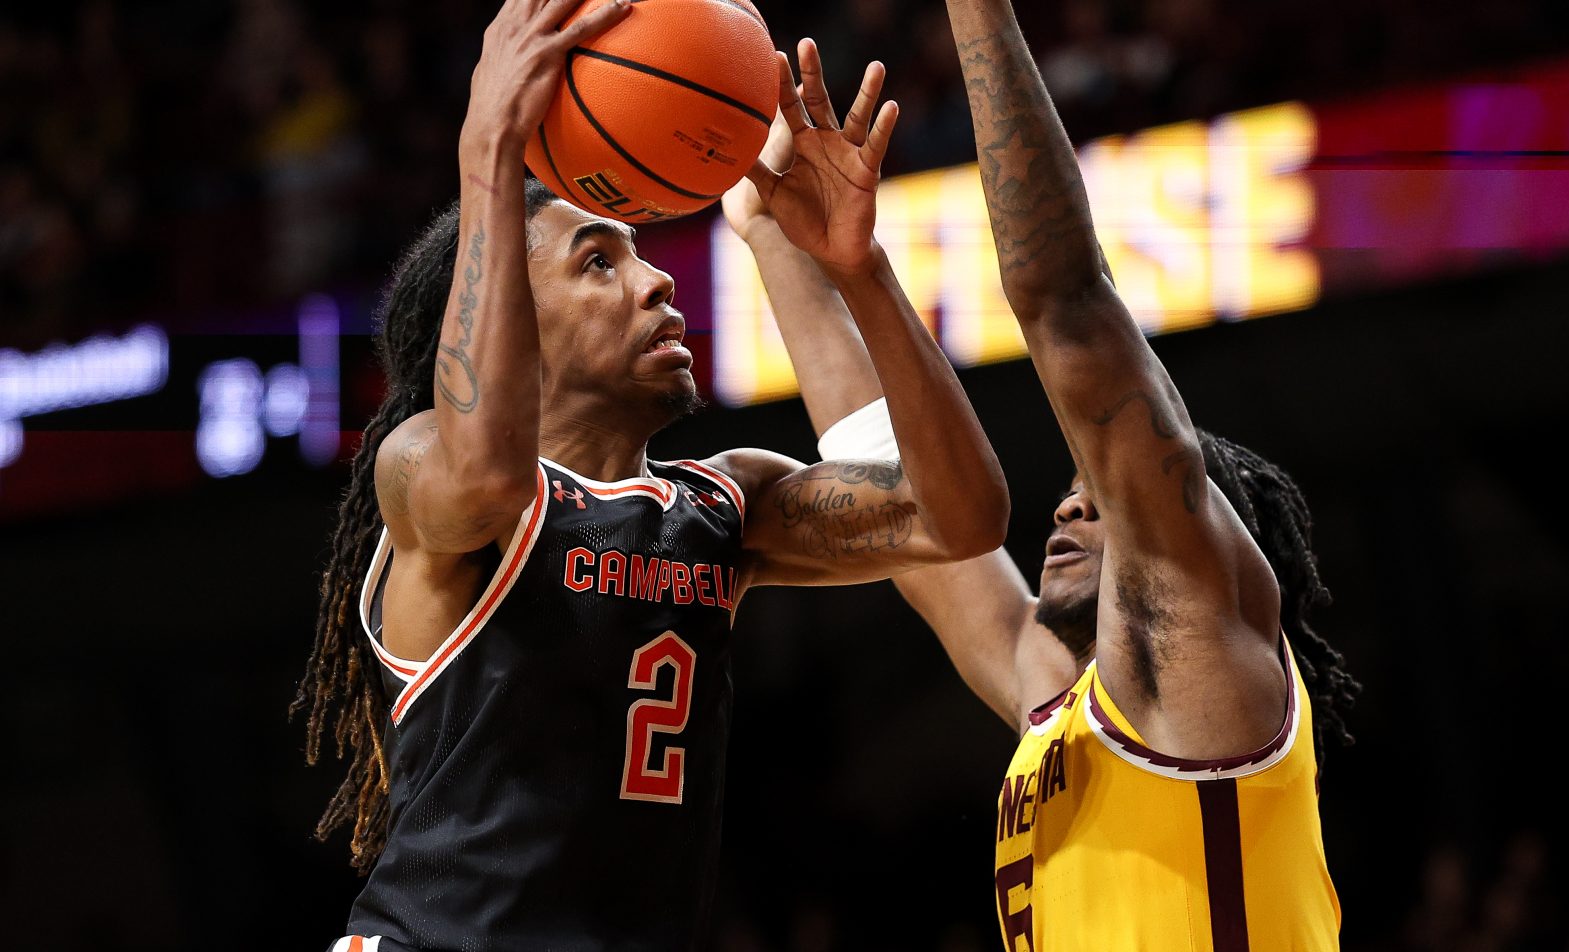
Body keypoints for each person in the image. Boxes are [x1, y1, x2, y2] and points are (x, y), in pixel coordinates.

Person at [290, 2, 1011, 949]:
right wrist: (492, 148)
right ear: (515, 315)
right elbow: (488, 475)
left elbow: (962, 518)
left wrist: (857, 267)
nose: (657, 282)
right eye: (598, 262)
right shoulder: (422, 466)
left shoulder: (724, 505)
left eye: (640, 252)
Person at [722, 25, 1358, 952]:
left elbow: (1066, 303)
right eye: (1074, 493)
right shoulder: (1061, 703)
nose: (1068, 506)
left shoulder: (1203, 674)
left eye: (1101, 501)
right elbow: (893, 492)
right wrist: (782, 243)